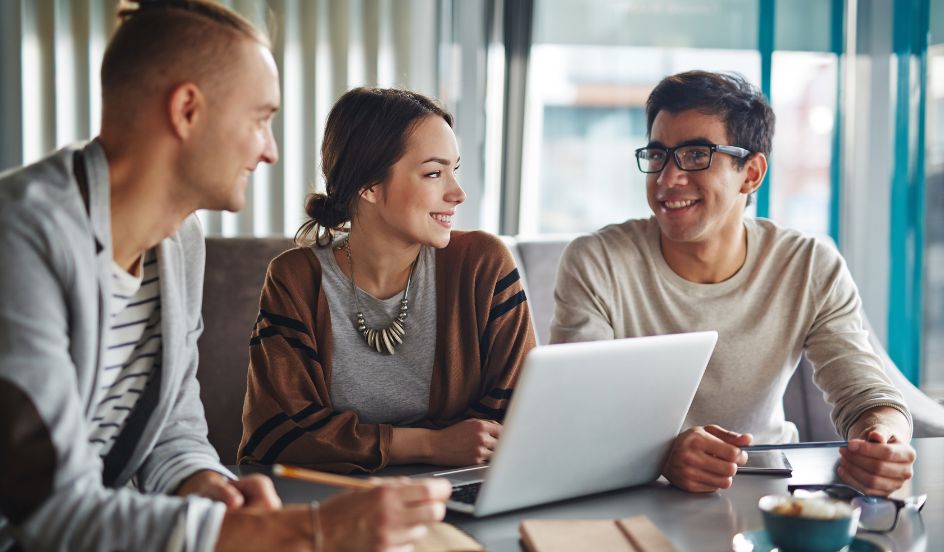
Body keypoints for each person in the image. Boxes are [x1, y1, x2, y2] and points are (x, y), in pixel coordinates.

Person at [0, 2, 449, 551]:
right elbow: (48, 511)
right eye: (260, 119)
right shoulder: (20, 237)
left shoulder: (179, 240)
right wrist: (305, 530)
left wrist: (208, 486)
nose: (270, 150)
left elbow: (173, 430)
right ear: (187, 110)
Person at [550, 70, 916, 496]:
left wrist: (882, 440)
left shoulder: (808, 265)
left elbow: (865, 392)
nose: (668, 179)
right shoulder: (596, 262)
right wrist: (661, 454)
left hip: (773, 489)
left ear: (752, 173)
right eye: (658, 155)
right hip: (635, 489)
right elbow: (576, 415)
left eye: (694, 155)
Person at [239, 87, 536, 473]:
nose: (457, 193)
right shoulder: (295, 280)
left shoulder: (482, 265)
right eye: (433, 173)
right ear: (369, 186)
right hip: (338, 500)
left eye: (454, 170)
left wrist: (345, 441)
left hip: (459, 488)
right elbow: (276, 434)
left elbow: (516, 418)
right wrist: (432, 443)